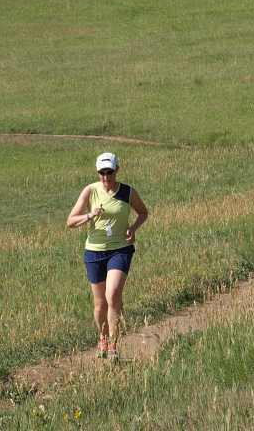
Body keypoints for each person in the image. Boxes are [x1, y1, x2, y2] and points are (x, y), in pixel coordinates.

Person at [66, 152, 148, 360]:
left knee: (113, 294)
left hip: (120, 249)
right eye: (102, 172)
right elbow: (70, 221)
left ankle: (113, 345)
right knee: (100, 303)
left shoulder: (127, 192)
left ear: (116, 170)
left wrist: (133, 228)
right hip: (94, 252)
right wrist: (90, 215)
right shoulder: (90, 191)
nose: (106, 177)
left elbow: (143, 212)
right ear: (97, 172)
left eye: (109, 172)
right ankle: (102, 338)